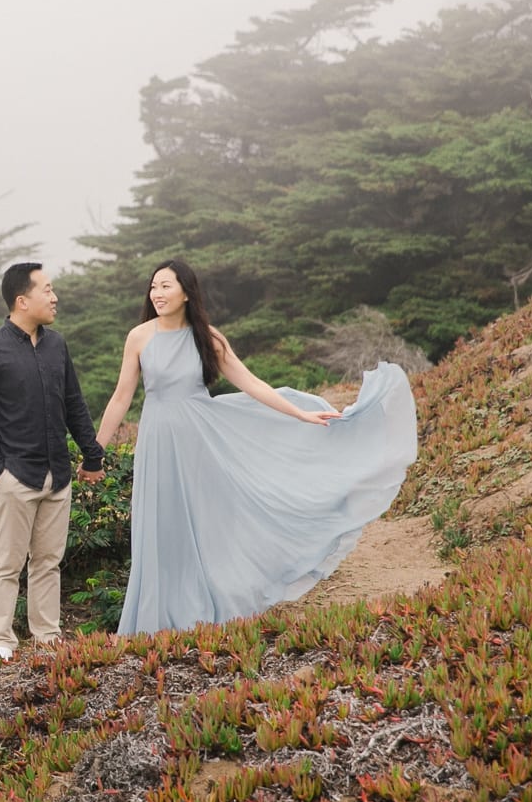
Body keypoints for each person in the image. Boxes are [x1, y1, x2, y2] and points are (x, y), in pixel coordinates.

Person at [95, 259, 417, 636]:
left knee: (203, 522)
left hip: (200, 442)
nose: (157, 293)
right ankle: (155, 620)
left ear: (186, 292)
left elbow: (251, 383)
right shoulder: (139, 336)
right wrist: (95, 449)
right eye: (153, 287)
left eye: (166, 286)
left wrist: (299, 414)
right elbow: (121, 398)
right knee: (160, 524)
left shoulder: (208, 338)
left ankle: (200, 611)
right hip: (156, 441)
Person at [0, 262, 106, 662]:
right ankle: (1, 641)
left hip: (57, 475)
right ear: (22, 300)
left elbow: (75, 404)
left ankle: (46, 635)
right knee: (7, 562)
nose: (54, 297)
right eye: (47, 289)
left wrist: (91, 455)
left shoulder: (56, 345)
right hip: (15, 475)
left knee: (49, 561)